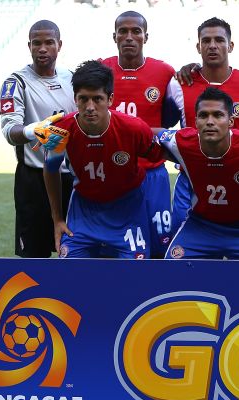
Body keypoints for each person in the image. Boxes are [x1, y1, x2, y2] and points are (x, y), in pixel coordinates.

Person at [42, 60, 162, 259]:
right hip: (84, 210)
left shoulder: (134, 128)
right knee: (67, 272)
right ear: (75, 98)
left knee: (137, 277)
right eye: (83, 99)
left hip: (128, 209)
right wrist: (57, 219)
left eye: (97, 99)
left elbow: (159, 160)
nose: (90, 107)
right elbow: (50, 169)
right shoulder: (58, 131)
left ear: (110, 99)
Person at [158, 88, 239, 260]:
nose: (210, 121)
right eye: (203, 116)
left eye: (218, 115)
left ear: (231, 121)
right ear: (195, 121)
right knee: (171, 272)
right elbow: (142, 133)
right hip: (202, 226)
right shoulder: (182, 142)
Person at [173, 17, 239, 226]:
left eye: (219, 39)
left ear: (231, 45)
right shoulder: (180, 83)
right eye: (206, 40)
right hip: (194, 180)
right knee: (188, 252)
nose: (212, 45)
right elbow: (164, 120)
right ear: (198, 46)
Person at [101, 10, 185, 258]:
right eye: (123, 31)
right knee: (114, 246)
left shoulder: (164, 72)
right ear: (114, 36)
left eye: (135, 31)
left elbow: (179, 114)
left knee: (160, 244)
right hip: (112, 174)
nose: (129, 37)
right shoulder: (100, 69)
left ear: (145, 36)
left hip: (153, 174)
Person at [0, 20, 75, 258]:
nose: (42, 48)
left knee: (73, 252)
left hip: (72, 180)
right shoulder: (16, 82)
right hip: (33, 181)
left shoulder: (72, 79)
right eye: (37, 43)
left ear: (59, 45)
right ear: (29, 46)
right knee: (33, 255)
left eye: (49, 42)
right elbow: (10, 131)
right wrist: (34, 130)